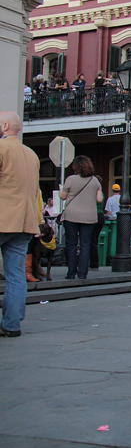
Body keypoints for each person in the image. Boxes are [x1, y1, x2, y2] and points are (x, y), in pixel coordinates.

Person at [0, 112, 40, 337]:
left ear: (5, 126)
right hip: (24, 222)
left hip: (3, 218)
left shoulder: (1, 148)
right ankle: (12, 324)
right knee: (15, 274)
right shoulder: (31, 154)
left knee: (15, 273)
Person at [59, 155, 103, 280]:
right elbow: (99, 199)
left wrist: (61, 189)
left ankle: (71, 272)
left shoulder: (71, 179)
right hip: (89, 216)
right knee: (85, 244)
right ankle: (83, 273)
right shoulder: (95, 181)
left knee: (71, 244)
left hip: (71, 215)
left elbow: (62, 196)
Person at [89, 175, 105, 270]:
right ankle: (94, 262)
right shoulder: (101, 193)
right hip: (100, 216)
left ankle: (94, 263)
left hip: (93, 216)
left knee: (92, 241)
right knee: (94, 241)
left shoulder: (94, 193)